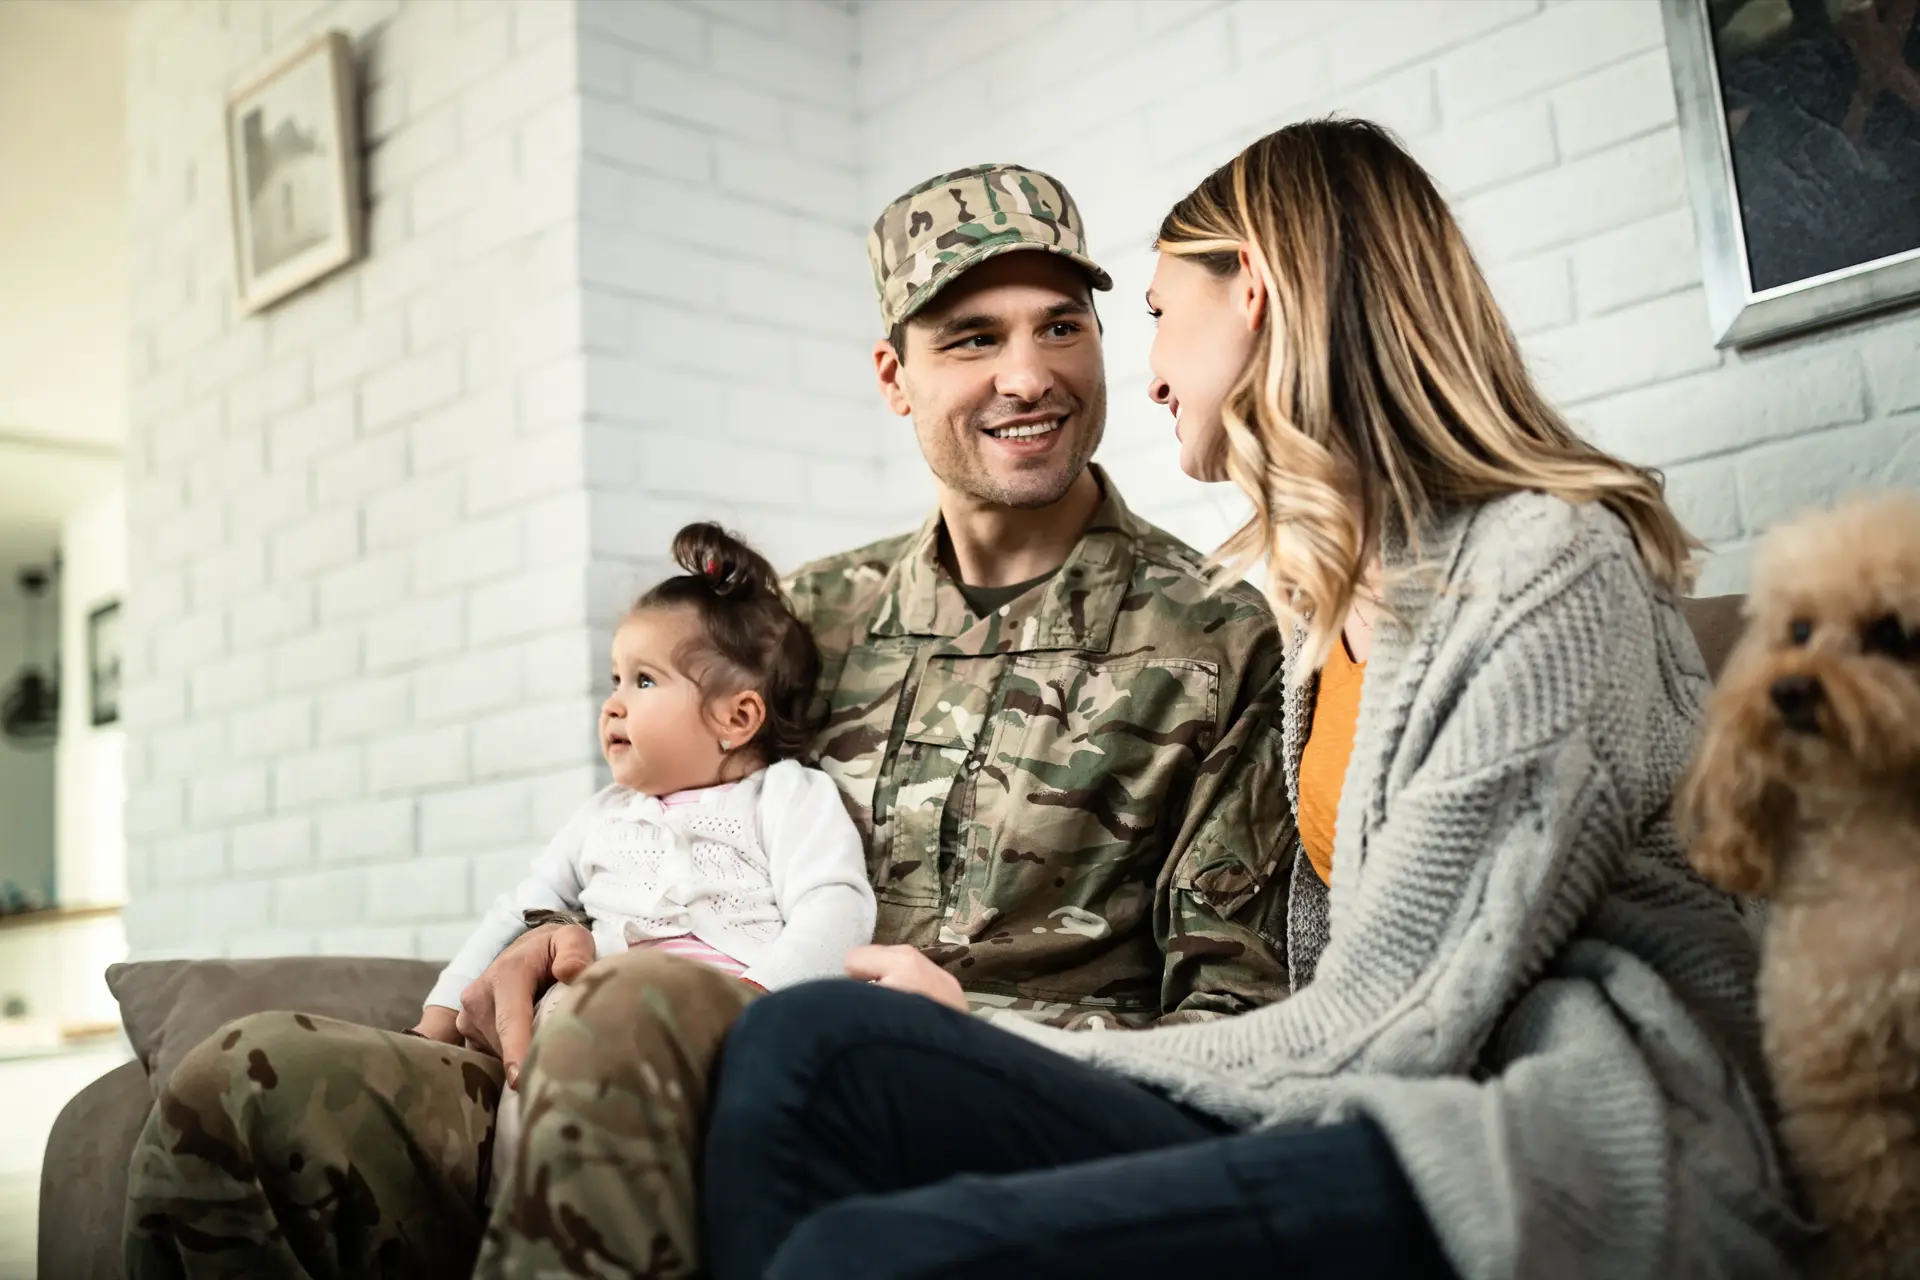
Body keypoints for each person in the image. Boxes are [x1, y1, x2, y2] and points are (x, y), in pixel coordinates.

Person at [122, 164, 1294, 1280]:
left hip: (950, 1103)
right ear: (894, 376)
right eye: (973, 338)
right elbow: (651, 822)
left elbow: (1236, 1026)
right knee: (248, 1081)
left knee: (628, 1011)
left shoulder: (1214, 636)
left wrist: (958, 1026)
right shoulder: (802, 618)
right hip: (642, 1057)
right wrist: (545, 931)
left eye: (1061, 325)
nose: (1029, 375)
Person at [696, 119, 1812, 1280]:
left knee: (857, 1236)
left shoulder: (1545, 570)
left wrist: (982, 1031)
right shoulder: (1335, 608)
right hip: (1378, 1102)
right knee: (806, 1043)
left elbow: (1396, 1015)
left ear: (1258, 296)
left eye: (1154, 316)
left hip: (1565, 1140)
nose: (1149, 373)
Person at [408, 522, 874, 1192]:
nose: (613, 704)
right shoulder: (600, 815)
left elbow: (835, 908)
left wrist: (754, 1003)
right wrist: (437, 1019)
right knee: (537, 1095)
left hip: (727, 1022)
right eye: (616, 679)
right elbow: (515, 914)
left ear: (736, 719)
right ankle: (532, 1214)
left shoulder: (787, 795)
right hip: (588, 1020)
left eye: (644, 681)